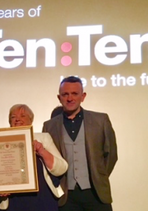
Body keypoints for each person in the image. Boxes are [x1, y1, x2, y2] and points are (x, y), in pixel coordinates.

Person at [43, 76, 118, 211]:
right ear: (59, 98)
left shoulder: (101, 120)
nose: (70, 98)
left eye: (74, 94)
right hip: (65, 196)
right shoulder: (49, 126)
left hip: (96, 194)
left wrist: (99, 175)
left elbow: (111, 154)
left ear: (83, 96)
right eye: (65, 94)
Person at [0, 104, 68, 211]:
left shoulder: (43, 138)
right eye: (13, 117)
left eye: (23, 116)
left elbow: (62, 167)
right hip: (14, 200)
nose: (17, 119)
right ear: (9, 121)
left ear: (30, 121)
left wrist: (42, 151)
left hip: (42, 198)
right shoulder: (0, 142)